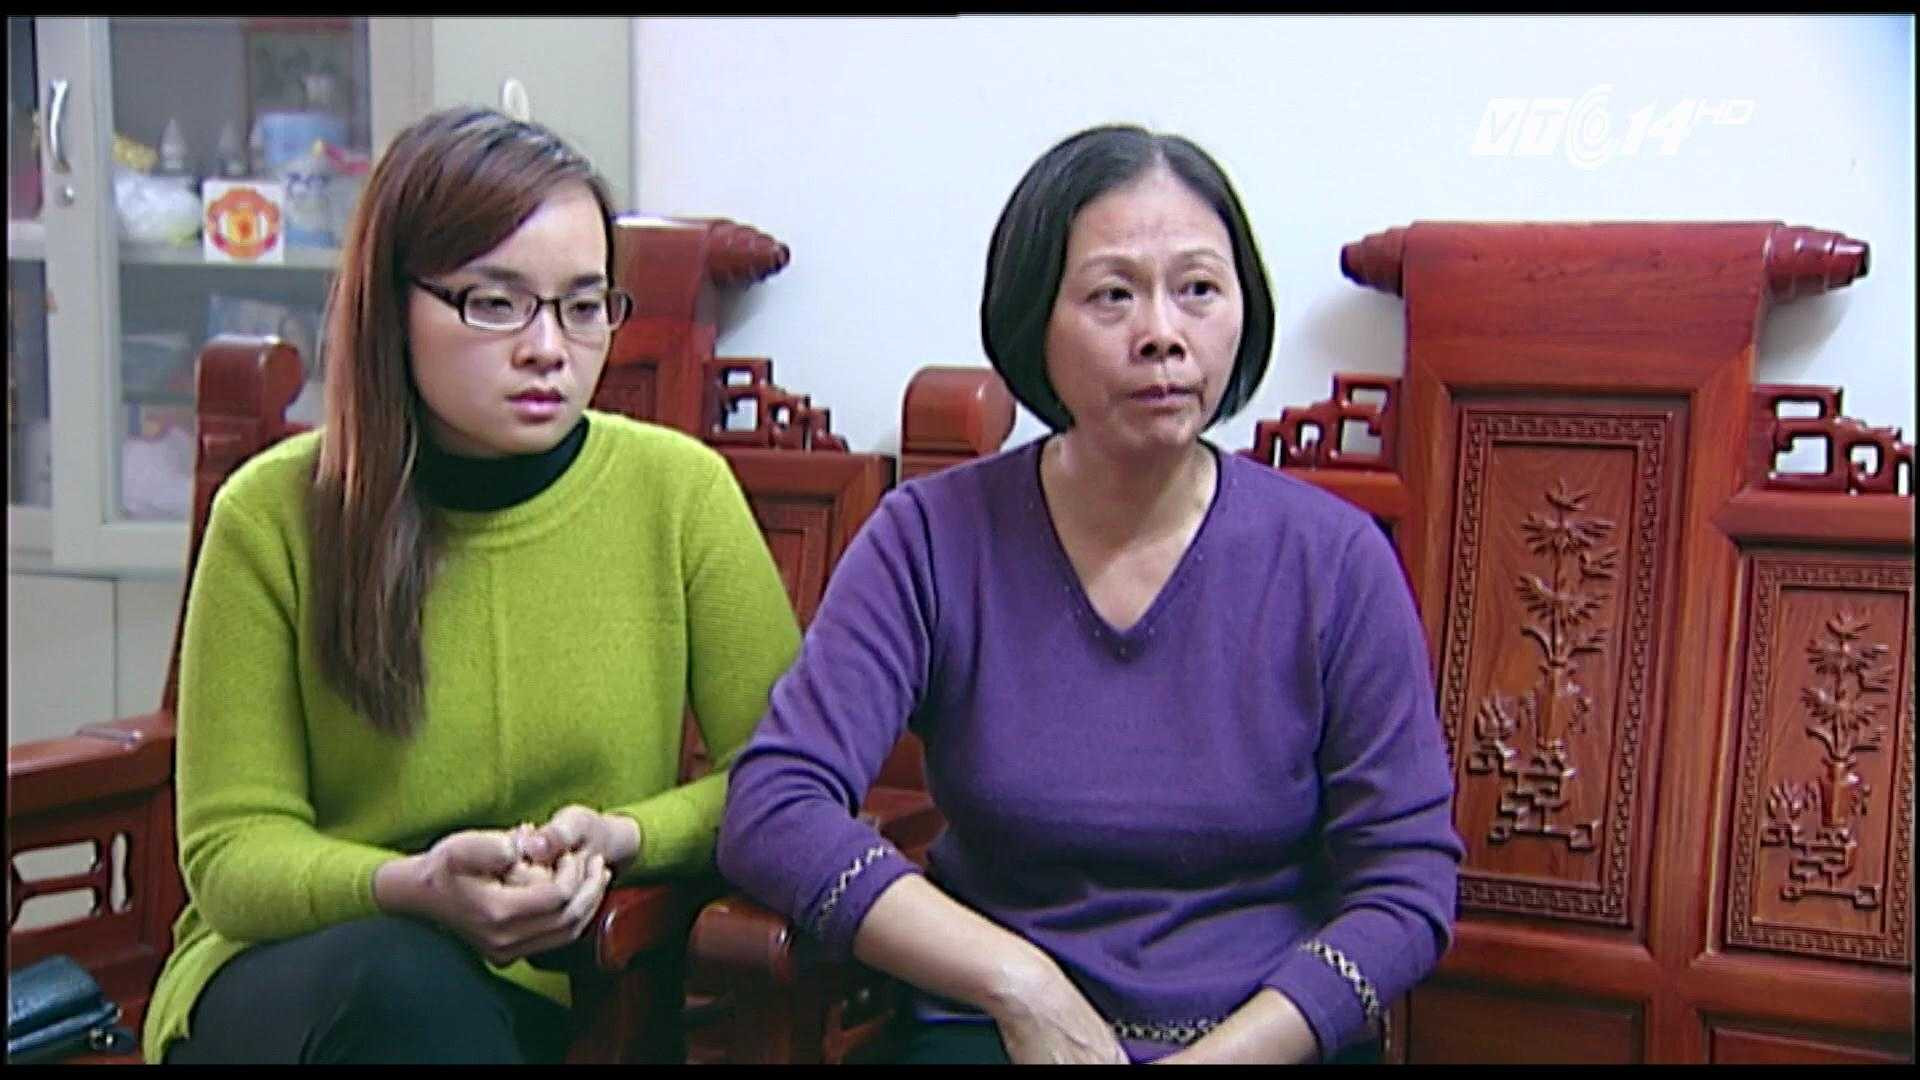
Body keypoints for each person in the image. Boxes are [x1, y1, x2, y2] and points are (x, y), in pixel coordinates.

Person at [717, 125, 1463, 1065]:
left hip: (1263, 1040)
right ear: (1033, 318)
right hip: (994, 1034)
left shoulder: (1334, 560)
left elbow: (1407, 884)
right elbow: (774, 805)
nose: (1163, 334)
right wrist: (1019, 983)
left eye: (1199, 289)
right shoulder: (931, 538)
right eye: (1113, 294)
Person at [144, 107, 801, 1064]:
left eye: (584, 306)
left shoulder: (679, 492)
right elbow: (233, 849)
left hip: (569, 980)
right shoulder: (271, 513)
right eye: (497, 303)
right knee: (400, 986)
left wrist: (624, 836)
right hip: (302, 975)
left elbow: (779, 775)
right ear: (393, 305)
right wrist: (411, 888)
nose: (548, 349)